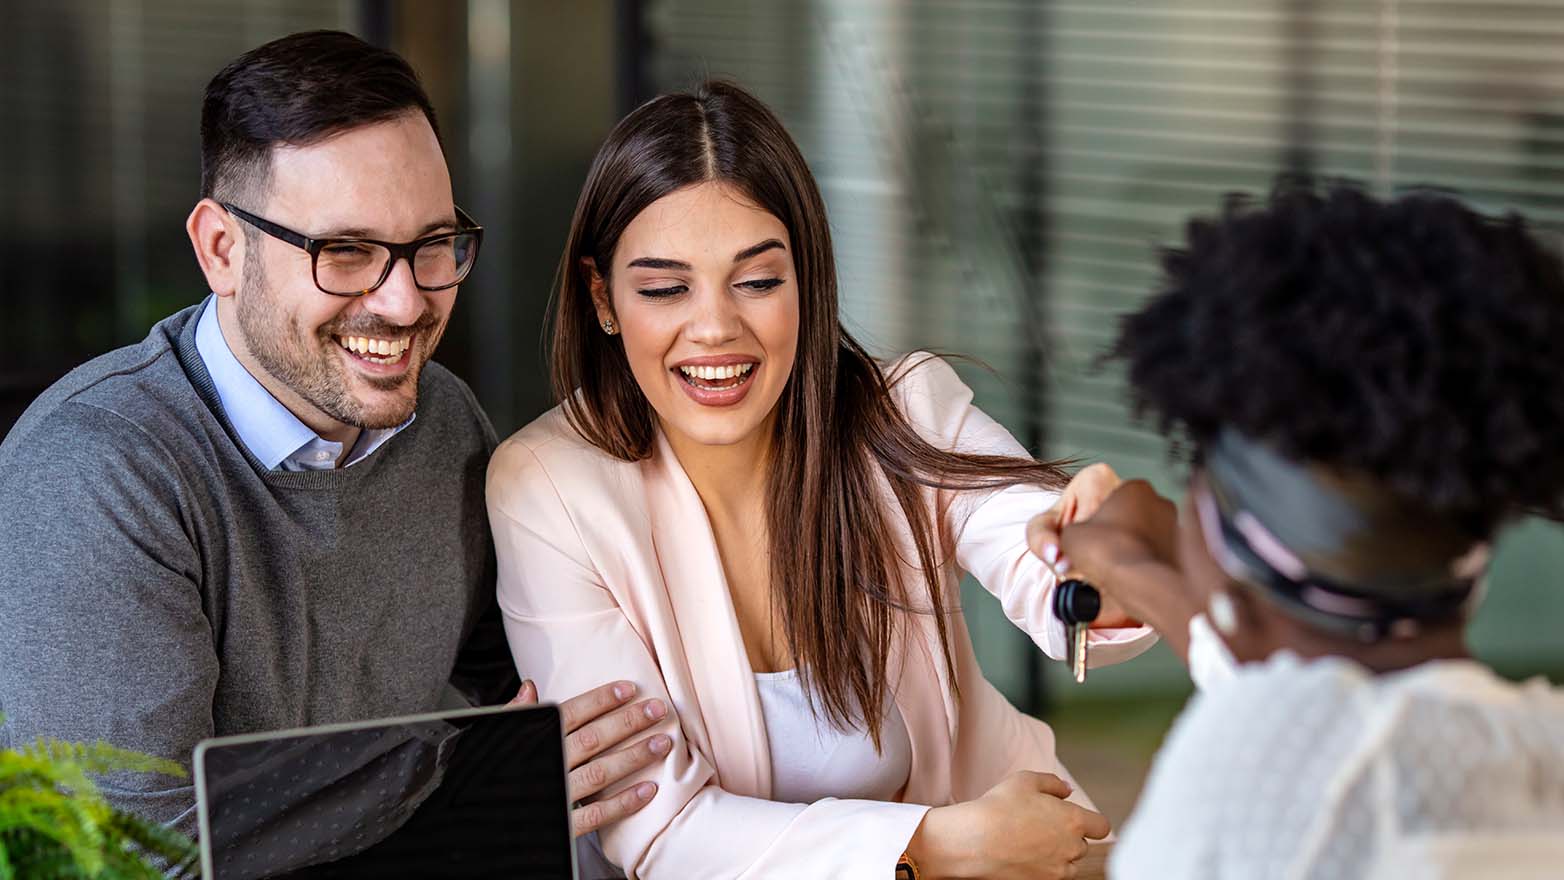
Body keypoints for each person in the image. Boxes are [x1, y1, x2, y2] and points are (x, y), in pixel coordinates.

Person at [0, 30, 663, 842]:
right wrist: (454, 786)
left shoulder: (444, 422)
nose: (405, 302)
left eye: (430, 245)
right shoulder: (98, 476)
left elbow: (532, 719)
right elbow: (133, 857)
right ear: (222, 250)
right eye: (345, 252)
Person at [485, 79, 1157, 880]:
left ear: (806, 280)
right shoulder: (546, 488)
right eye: (664, 288)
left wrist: (1099, 565)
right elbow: (661, 832)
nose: (714, 328)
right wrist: (933, 848)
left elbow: (1032, 545)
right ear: (601, 299)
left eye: (758, 281)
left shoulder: (902, 408)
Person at [1029, 183, 1564, 878]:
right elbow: (1312, 688)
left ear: (1222, 540)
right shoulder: (1535, 748)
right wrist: (1133, 565)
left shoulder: (1245, 778)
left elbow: (1286, 738)